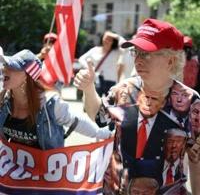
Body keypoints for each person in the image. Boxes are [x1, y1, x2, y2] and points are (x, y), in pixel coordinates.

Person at [74, 18, 200, 194]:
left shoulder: (191, 102)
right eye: (136, 53)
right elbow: (98, 115)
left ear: (171, 60)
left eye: (147, 53)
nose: (139, 60)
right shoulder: (122, 90)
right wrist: (88, 88)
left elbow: (196, 160)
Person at [0, 49, 112, 150]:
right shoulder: (3, 100)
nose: (5, 69)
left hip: (47, 170)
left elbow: (78, 122)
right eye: (6, 65)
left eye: (12, 67)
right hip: (14, 169)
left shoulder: (50, 103)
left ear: (27, 76)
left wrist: (109, 135)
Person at [78, 30, 135, 96]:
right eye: (106, 38)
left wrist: (116, 36)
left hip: (111, 81)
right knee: (95, 102)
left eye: (110, 39)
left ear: (113, 41)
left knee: (110, 104)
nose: (107, 41)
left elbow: (126, 47)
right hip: (97, 80)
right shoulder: (95, 49)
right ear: (102, 38)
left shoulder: (116, 52)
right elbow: (81, 59)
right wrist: (90, 68)